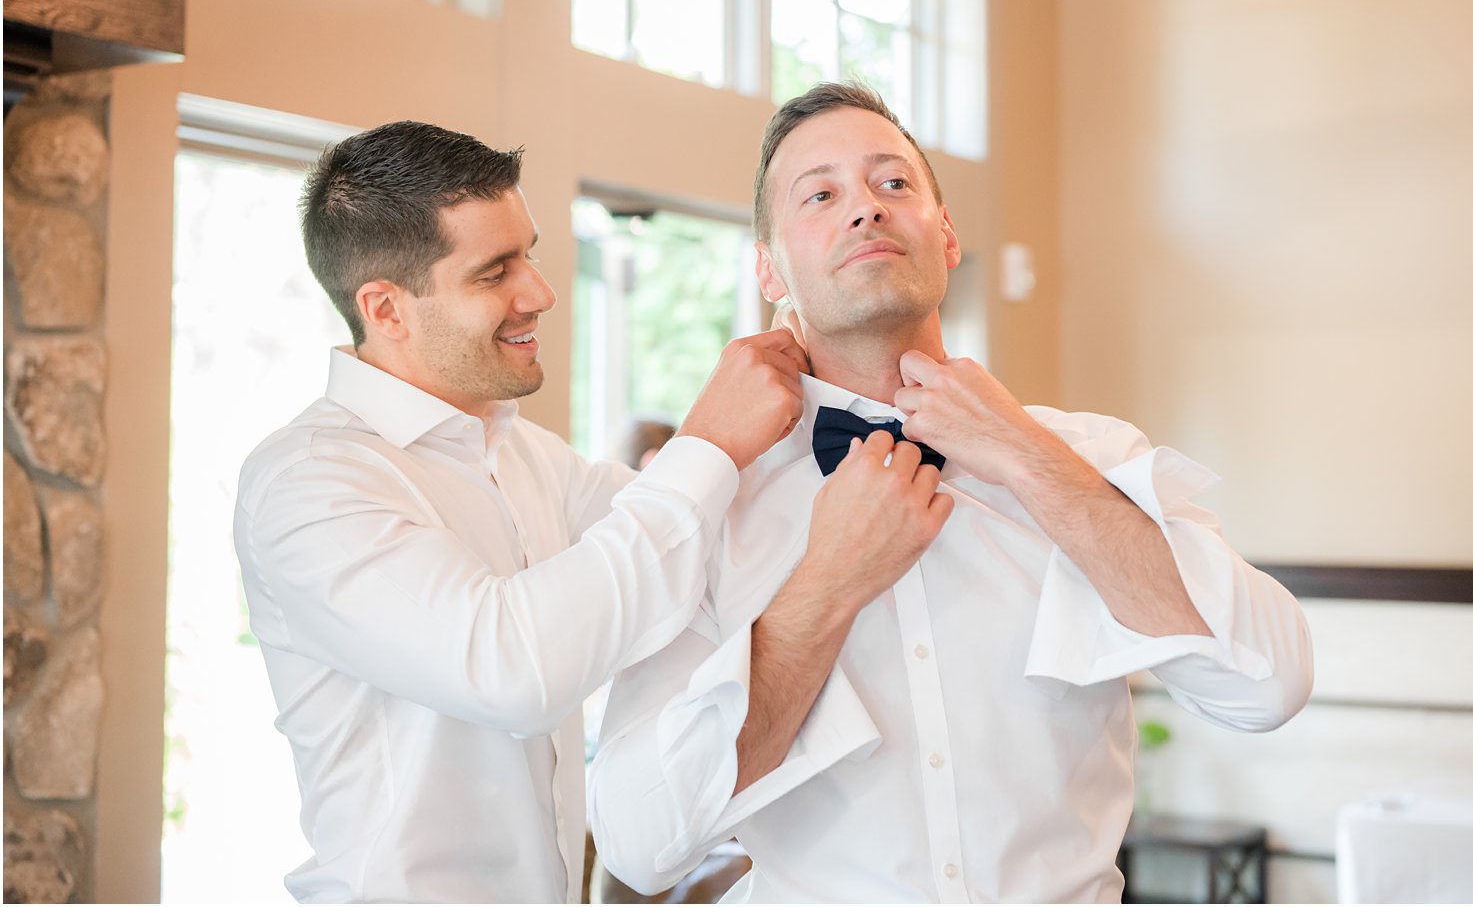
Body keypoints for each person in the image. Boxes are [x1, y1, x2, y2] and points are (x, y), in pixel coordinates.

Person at [587, 83, 1314, 903]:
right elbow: (639, 843)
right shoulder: (711, 511)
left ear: (948, 234)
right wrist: (825, 583)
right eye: (821, 194)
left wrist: (1027, 458)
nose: (865, 207)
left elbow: (1268, 684)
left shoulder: (1092, 456)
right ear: (767, 266)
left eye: (893, 183)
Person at [232, 121, 806, 903]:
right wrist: (704, 442)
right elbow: (513, 667)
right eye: (495, 270)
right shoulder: (309, 481)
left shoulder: (519, 450)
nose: (539, 292)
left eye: (528, 253)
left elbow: (697, 540)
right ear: (386, 308)